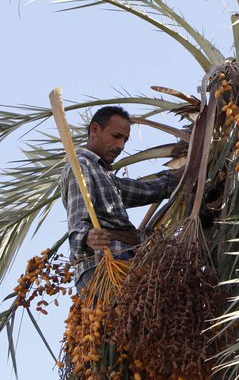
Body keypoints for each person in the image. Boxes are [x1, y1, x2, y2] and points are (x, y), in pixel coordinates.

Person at [60, 106, 181, 293]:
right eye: (116, 136)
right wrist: (87, 238)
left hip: (122, 263)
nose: (121, 146)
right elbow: (77, 223)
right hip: (103, 266)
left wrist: (181, 176)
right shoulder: (82, 166)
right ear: (94, 130)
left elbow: (146, 190)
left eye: (125, 139)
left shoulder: (104, 174)